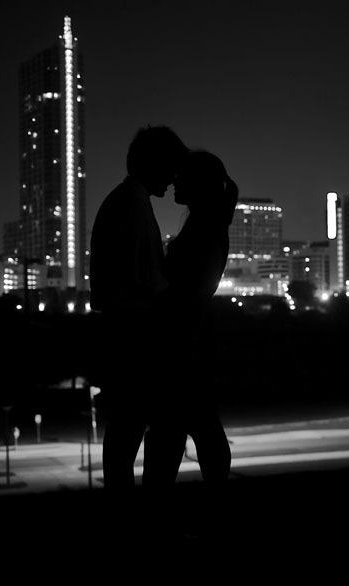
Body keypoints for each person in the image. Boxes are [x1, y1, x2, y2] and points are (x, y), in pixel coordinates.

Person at [89, 125, 188, 492]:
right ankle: (143, 521)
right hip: (135, 335)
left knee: (126, 433)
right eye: (171, 167)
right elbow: (151, 282)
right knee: (148, 431)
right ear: (154, 164)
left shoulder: (125, 200)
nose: (175, 177)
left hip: (123, 332)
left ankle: (132, 520)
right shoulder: (133, 206)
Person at [141, 150, 237, 491]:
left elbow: (183, 291)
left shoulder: (205, 230)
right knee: (192, 429)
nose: (174, 180)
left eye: (182, 176)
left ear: (198, 183)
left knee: (174, 433)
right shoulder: (206, 225)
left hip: (183, 345)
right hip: (191, 343)